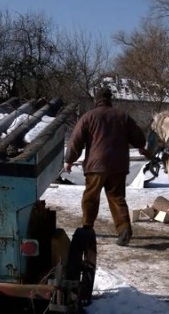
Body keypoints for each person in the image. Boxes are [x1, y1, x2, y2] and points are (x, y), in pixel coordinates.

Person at [63, 87, 150, 246]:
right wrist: (141, 145)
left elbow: (75, 140)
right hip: (118, 166)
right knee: (117, 198)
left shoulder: (88, 117)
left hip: (96, 166)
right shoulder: (122, 116)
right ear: (110, 100)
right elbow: (138, 137)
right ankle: (124, 230)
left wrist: (69, 160)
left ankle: (87, 228)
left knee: (90, 197)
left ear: (96, 100)